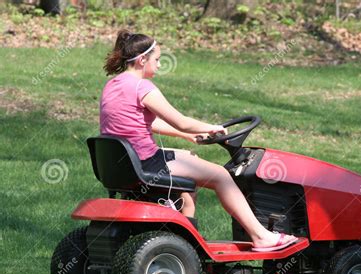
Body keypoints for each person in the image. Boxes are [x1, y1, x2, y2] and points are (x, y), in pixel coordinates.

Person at [100, 29, 298, 252]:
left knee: (189, 158)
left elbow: (147, 123)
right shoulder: (142, 87)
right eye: (157, 59)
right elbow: (181, 121)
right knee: (221, 176)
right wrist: (212, 128)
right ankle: (261, 236)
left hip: (125, 163)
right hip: (146, 163)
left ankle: (182, 243)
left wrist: (185, 136)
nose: (159, 65)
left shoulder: (113, 85)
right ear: (142, 59)